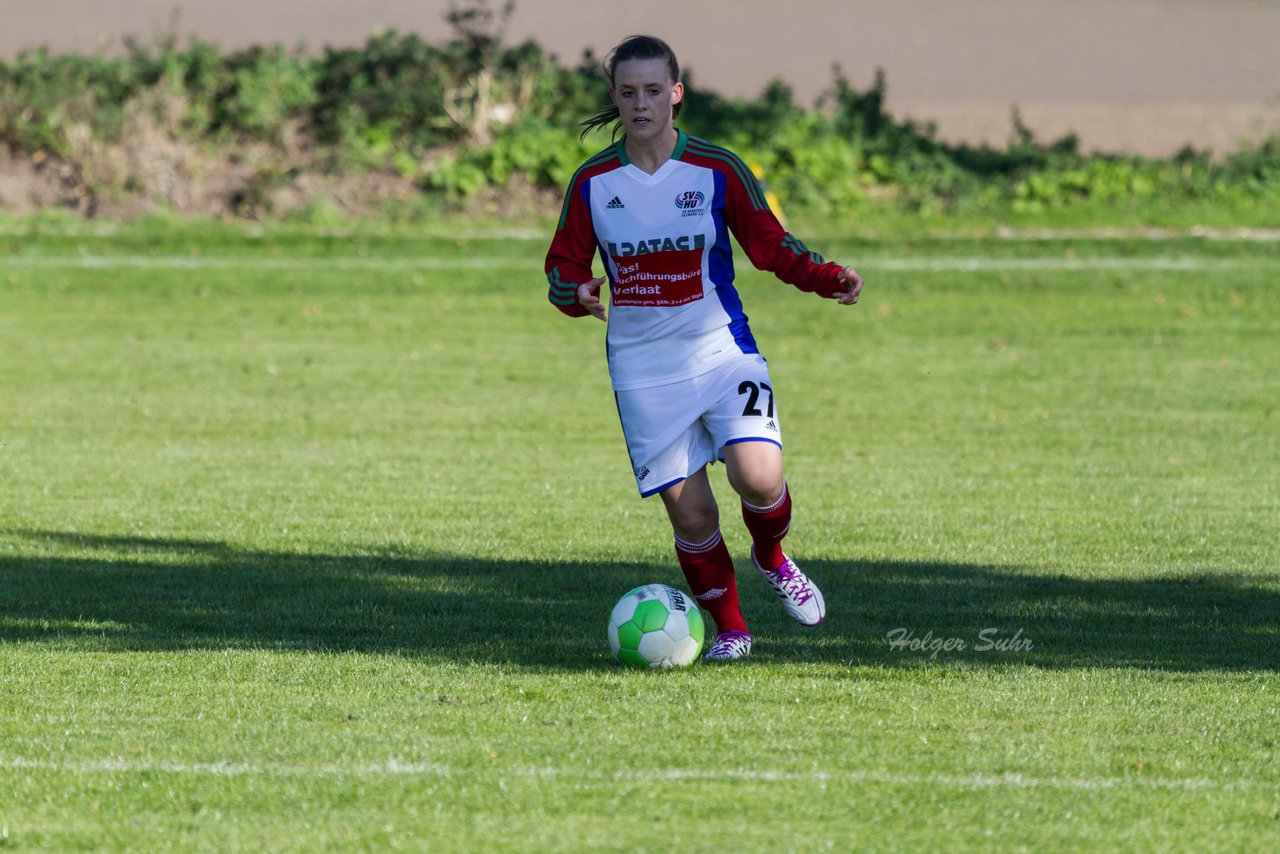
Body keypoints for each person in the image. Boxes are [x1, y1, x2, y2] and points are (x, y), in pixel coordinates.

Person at [544, 34, 864, 661]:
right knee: (692, 518)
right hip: (643, 371)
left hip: (722, 351)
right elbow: (562, 264)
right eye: (629, 93)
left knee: (759, 477)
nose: (641, 104)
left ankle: (772, 557)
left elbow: (771, 245)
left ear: (676, 95)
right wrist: (573, 292)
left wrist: (828, 278)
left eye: (654, 91)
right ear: (614, 98)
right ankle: (732, 630)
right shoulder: (592, 182)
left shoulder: (717, 168)